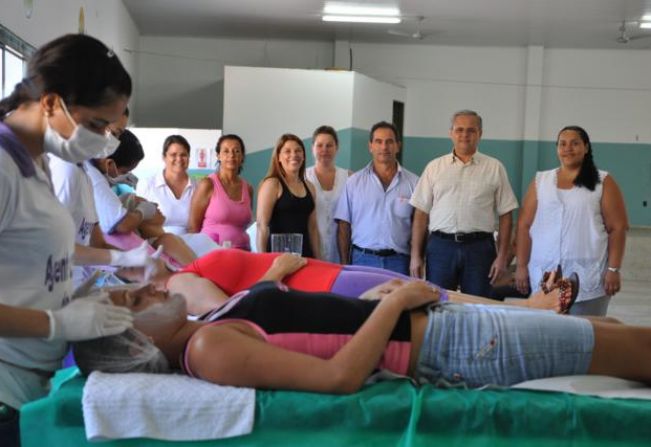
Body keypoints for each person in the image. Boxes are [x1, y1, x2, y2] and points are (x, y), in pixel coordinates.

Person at [74, 275, 650, 396]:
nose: (142, 288)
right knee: (637, 347)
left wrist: (366, 305)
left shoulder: (202, 326)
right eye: (130, 303)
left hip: (440, 328)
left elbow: (310, 329)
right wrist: (396, 300)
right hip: (457, 347)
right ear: (138, 346)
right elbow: (337, 375)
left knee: (614, 329)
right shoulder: (206, 348)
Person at [0, 34, 136, 447]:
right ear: (50, 102)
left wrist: (75, 297)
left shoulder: (36, 160)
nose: (103, 138)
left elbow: (25, 264)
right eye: (96, 124)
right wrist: (56, 322)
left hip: (28, 390)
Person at [150, 249, 573, 316]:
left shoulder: (178, 263)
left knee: (430, 290)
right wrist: (277, 272)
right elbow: (238, 310)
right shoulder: (179, 287)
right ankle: (528, 310)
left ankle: (526, 307)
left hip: (325, 272)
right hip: (319, 290)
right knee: (432, 297)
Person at [515, 126, 629, 316]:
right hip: (544, 275)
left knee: (586, 333)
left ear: (586, 147)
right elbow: (523, 226)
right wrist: (520, 266)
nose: (568, 148)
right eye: (562, 144)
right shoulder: (541, 181)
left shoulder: (603, 181)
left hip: (589, 276)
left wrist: (613, 269)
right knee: (545, 334)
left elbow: (618, 228)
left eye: (575, 143)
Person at [410, 110, 518, 298]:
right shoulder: (434, 168)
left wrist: (501, 257)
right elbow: (420, 214)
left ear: (480, 134)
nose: (464, 135)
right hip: (441, 248)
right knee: (438, 304)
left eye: (471, 130)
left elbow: (506, 215)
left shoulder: (494, 168)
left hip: (480, 249)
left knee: (478, 306)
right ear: (450, 133)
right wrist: (415, 256)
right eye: (459, 129)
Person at [85, 129, 197, 266]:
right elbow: (123, 223)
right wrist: (142, 211)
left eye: (184, 155)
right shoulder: (94, 179)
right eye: (125, 171)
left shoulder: (196, 186)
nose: (158, 209)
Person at [49, 152, 160, 287]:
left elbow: (98, 244)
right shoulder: (66, 171)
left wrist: (131, 264)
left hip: (80, 283)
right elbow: (55, 247)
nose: (112, 140)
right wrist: (124, 258)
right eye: (115, 133)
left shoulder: (87, 178)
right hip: (60, 286)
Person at [335, 121, 418, 275]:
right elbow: (343, 226)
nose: (384, 147)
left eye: (389, 142)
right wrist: (344, 265)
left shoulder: (414, 183)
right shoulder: (354, 182)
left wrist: (417, 259)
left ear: (398, 146)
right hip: (362, 260)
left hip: (400, 262)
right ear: (370, 146)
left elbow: (419, 227)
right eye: (378, 141)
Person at [257, 134, 320, 258]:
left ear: (303, 156)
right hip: (278, 259)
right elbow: (262, 226)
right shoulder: (272, 184)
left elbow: (312, 228)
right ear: (279, 157)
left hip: (305, 257)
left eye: (298, 151)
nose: (294, 155)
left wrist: (319, 259)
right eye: (287, 151)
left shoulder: (310, 187)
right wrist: (262, 261)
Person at [188, 134, 253, 249]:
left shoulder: (248, 188)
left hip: (243, 252)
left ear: (242, 156)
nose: (231, 155)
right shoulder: (207, 184)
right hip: (212, 253)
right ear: (218, 156)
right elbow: (193, 228)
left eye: (236, 151)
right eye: (226, 151)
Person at [305, 125, 350, 263]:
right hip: (310, 249)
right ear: (312, 148)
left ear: (337, 147)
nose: (324, 150)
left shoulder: (349, 177)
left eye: (329, 145)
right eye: (320, 145)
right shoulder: (303, 177)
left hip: (340, 251)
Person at [137, 135, 196, 235]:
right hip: (156, 242)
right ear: (164, 157)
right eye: (173, 155)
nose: (179, 159)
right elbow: (140, 223)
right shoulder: (147, 185)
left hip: (192, 243)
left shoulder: (198, 187)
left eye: (183, 155)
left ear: (189, 157)